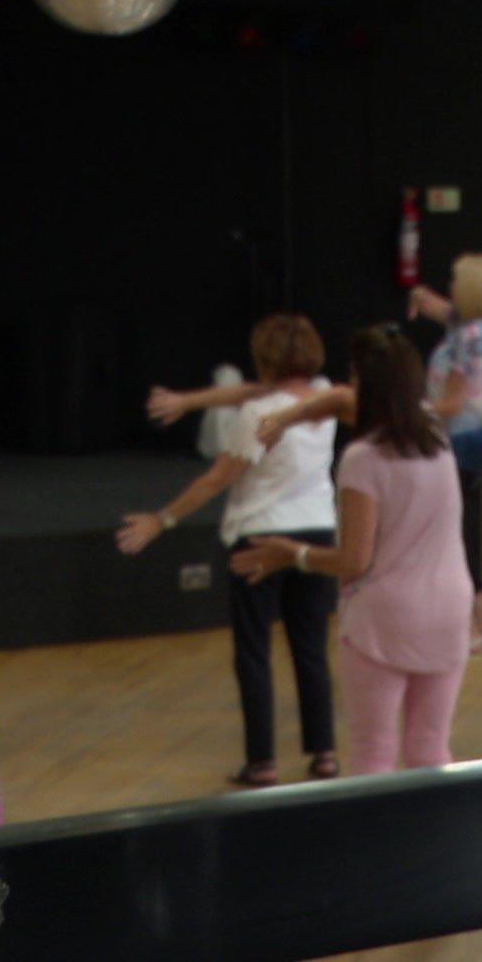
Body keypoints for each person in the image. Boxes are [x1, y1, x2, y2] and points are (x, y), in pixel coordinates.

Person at [231, 325, 474, 775]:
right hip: (450, 610)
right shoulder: (437, 439)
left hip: (384, 618)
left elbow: (354, 560)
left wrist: (293, 553)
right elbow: (340, 401)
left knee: (373, 751)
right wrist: (290, 417)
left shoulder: (364, 458)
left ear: (365, 384)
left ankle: (377, 843)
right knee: (431, 750)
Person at [118, 313, 340, 788]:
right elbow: (251, 392)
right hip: (318, 534)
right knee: (311, 648)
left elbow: (217, 478)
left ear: (265, 358)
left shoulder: (259, 417)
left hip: (260, 537)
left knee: (253, 651)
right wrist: (191, 400)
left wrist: (162, 520)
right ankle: (324, 753)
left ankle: (263, 761)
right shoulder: (325, 396)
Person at [409, 253, 482, 652]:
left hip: (457, 440)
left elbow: (451, 403)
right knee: (454, 530)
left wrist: (400, 411)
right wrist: (420, 294)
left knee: (449, 534)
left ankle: (469, 626)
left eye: (455, 280)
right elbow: (440, 309)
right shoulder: (475, 326)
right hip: (465, 440)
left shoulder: (470, 337)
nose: (449, 287)